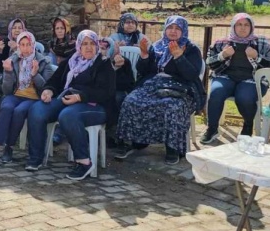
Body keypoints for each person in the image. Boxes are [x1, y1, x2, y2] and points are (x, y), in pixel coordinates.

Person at [115, 15, 206, 165]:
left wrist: (179, 56)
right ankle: (135, 141)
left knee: (172, 106)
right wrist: (144, 56)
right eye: (170, 27)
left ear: (184, 30)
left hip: (180, 87)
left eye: (177, 28)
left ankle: (172, 148)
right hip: (154, 84)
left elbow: (191, 75)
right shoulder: (157, 46)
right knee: (131, 100)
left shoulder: (191, 49)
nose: (173, 31)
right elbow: (144, 71)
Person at [26, 30, 116, 180]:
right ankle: (35, 158)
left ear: (97, 46)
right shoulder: (71, 61)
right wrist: (49, 90)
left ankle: (84, 162)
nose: (88, 47)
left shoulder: (104, 64)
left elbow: (107, 92)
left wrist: (80, 96)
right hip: (68, 99)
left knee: (67, 115)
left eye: (92, 44)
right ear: (79, 46)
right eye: (84, 44)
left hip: (96, 106)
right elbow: (55, 81)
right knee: (37, 109)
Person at [0, 32, 54, 166]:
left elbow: (48, 87)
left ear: (33, 45)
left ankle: (9, 147)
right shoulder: (14, 60)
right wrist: (9, 72)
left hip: (33, 98)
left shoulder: (43, 61)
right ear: (18, 46)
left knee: (19, 111)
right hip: (15, 95)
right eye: (22, 45)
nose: (26, 48)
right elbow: (6, 90)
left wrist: (35, 74)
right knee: (6, 107)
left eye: (28, 45)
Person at [203, 13, 270, 142]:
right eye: (239, 24)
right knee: (216, 92)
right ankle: (212, 129)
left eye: (246, 25)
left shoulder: (262, 43)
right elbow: (208, 63)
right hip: (225, 77)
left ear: (251, 27)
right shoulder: (222, 42)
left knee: (244, 97)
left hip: (252, 79)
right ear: (233, 26)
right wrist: (222, 55)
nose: (242, 28)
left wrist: (257, 57)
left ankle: (248, 125)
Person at [100, 37, 135, 145]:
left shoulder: (124, 62)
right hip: (100, 91)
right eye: (100, 48)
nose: (102, 51)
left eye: (106, 48)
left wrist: (115, 69)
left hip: (119, 90)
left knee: (116, 98)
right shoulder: (95, 61)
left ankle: (114, 133)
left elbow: (127, 83)